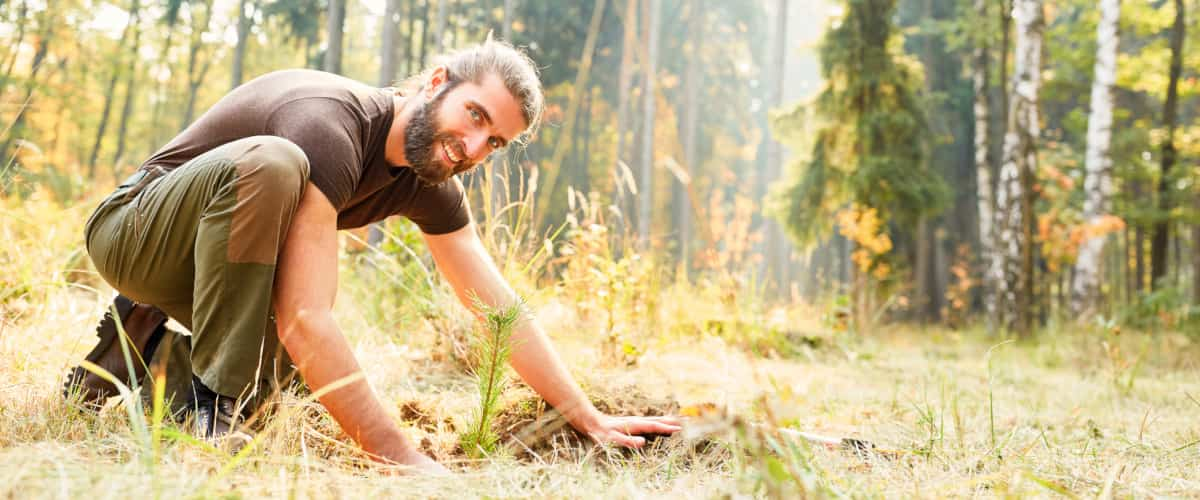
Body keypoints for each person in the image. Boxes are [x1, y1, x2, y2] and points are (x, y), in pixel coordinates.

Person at [64, 39, 681, 473]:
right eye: (474, 115)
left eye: (494, 141)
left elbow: (498, 307)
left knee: (287, 385)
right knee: (277, 166)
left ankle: (142, 351)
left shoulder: (429, 175)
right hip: (134, 232)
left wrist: (586, 414)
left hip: (209, 271)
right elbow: (308, 318)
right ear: (437, 82)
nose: (471, 146)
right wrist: (403, 458)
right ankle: (212, 409)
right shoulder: (329, 124)